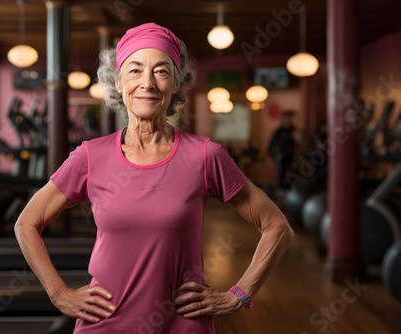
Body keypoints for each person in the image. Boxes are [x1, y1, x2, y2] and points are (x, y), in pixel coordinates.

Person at [15, 22, 294, 333]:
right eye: (134, 70)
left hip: (183, 326)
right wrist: (58, 292)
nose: (147, 83)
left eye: (161, 71)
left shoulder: (204, 155)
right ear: (118, 83)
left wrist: (238, 295)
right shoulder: (90, 156)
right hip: (104, 323)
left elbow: (277, 226)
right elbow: (27, 222)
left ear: (175, 84)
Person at [267, 110, 297, 190]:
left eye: (290, 118)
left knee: (293, 177)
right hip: (281, 159)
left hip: (293, 159)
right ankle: (279, 194)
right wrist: (275, 157)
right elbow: (270, 147)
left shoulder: (295, 131)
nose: (288, 120)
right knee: (280, 177)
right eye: (286, 118)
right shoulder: (278, 132)